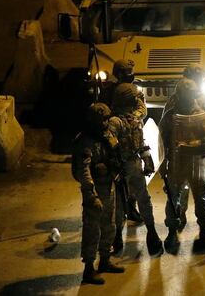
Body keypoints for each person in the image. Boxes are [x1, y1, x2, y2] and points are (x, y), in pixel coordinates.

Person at [159, 79, 205, 253]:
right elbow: (161, 140)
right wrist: (162, 162)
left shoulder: (201, 115)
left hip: (197, 163)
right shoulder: (170, 116)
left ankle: (204, 231)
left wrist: (193, 143)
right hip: (177, 163)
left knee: (202, 199)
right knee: (173, 198)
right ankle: (172, 231)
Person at [73, 103, 125, 285]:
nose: (105, 122)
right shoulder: (85, 141)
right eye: (102, 119)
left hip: (109, 186)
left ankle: (105, 260)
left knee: (109, 226)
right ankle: (89, 269)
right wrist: (91, 195)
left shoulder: (107, 135)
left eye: (106, 118)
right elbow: (84, 170)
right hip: (95, 191)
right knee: (92, 230)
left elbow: (116, 155)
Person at [110, 83, 162, 256]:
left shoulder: (122, 120)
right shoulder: (128, 120)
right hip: (124, 168)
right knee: (131, 201)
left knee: (127, 202)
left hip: (129, 166)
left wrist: (147, 158)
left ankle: (146, 233)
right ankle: (121, 235)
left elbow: (140, 141)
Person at [98, 59, 145, 225]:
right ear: (118, 74)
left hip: (131, 134)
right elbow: (101, 114)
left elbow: (142, 109)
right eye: (127, 74)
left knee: (132, 181)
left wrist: (134, 118)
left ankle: (130, 208)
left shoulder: (132, 90)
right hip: (114, 137)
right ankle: (115, 218)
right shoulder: (108, 91)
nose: (130, 76)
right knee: (117, 184)